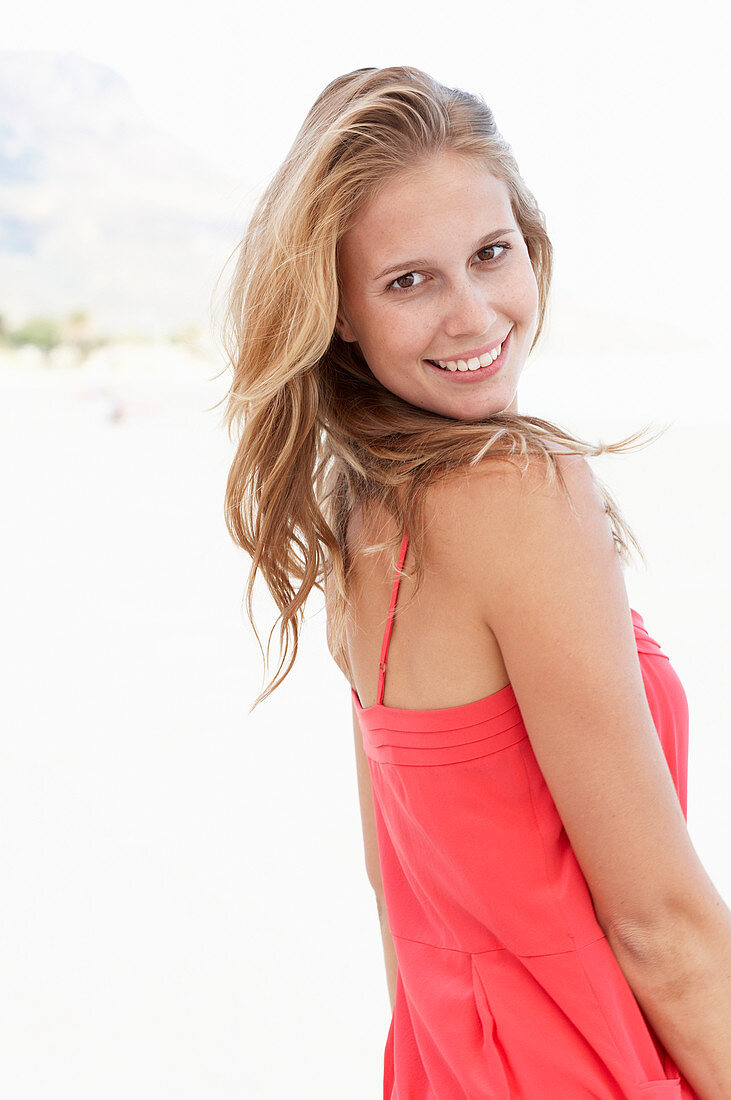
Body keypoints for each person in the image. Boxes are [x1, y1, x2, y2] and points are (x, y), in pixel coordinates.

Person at [217, 66, 731, 1099]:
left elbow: (393, 885)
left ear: (527, 241)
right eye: (408, 280)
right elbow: (658, 925)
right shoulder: (515, 491)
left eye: (489, 254)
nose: (473, 314)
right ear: (341, 312)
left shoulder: (367, 513)